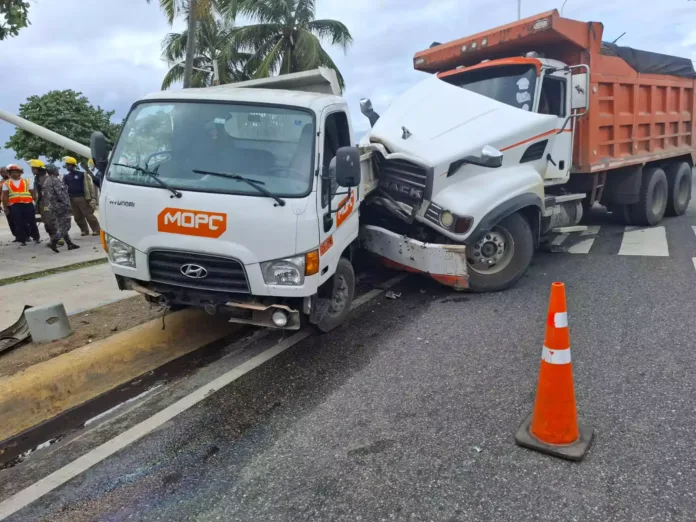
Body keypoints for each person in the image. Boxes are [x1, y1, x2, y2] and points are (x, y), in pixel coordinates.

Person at [43, 163, 79, 252]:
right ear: (53, 171)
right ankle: (54, 241)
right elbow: (61, 194)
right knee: (66, 225)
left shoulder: (47, 181)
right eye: (57, 170)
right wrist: (68, 204)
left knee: (61, 224)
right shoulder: (55, 180)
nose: (58, 171)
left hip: (54, 206)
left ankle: (69, 244)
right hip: (61, 206)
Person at [1, 164, 40, 246]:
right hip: (15, 205)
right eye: (12, 172)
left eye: (16, 172)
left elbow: (33, 193)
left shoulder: (26, 181)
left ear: (20, 173)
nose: (14, 174)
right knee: (18, 222)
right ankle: (23, 240)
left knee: (32, 221)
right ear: (10, 173)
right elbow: (5, 197)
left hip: (28, 204)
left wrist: (35, 203)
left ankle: (36, 237)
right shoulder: (6, 183)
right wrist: (5, 207)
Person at [62, 156, 100, 236]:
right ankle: (84, 230)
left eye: (69, 165)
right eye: (67, 165)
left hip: (83, 198)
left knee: (89, 215)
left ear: (73, 165)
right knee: (77, 217)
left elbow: (90, 186)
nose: (67, 167)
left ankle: (96, 230)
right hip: (72, 199)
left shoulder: (82, 174)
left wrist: (92, 197)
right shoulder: (66, 177)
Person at [29, 159, 58, 240]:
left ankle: (58, 237)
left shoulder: (47, 179)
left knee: (51, 221)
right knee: (46, 221)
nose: (32, 170)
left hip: (48, 203)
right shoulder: (37, 179)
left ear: (39, 169)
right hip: (41, 203)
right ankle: (53, 237)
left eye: (33, 169)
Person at [0, 166, 18, 242]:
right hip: (6, 204)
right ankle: (17, 236)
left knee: (18, 220)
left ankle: (24, 236)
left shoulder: (13, 181)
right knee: (11, 221)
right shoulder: (1, 183)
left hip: (15, 203)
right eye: (1, 172)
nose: (2, 173)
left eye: (4, 172)